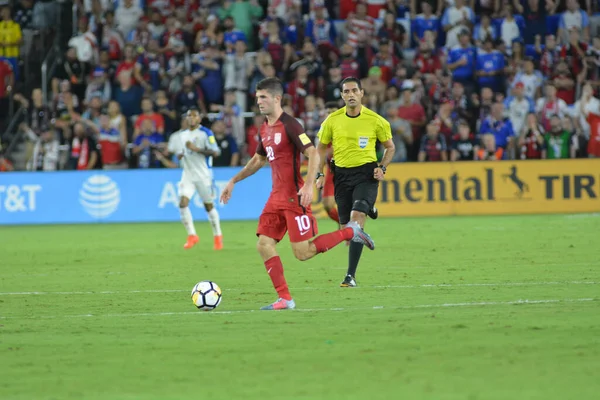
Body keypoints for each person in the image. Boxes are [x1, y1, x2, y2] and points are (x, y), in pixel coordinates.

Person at [220, 78, 375, 310]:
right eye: (257, 97)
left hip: (294, 196)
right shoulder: (265, 126)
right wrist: (234, 180)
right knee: (263, 244)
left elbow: (313, 153)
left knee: (302, 253)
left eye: (263, 97)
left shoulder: (290, 125)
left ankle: (351, 231)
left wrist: (309, 184)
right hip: (275, 197)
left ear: (276, 98)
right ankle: (285, 299)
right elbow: (258, 159)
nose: (258, 101)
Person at [316, 77, 395, 288]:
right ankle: (370, 208)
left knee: (357, 218)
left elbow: (390, 147)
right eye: (346, 91)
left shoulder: (376, 120)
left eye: (354, 91)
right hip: (341, 175)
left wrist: (382, 167)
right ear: (342, 95)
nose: (350, 95)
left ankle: (350, 276)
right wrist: (319, 174)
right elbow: (320, 148)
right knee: (348, 233)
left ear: (361, 93)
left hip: (366, 174)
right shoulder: (332, 121)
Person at [176, 109, 224, 250]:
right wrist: (180, 155)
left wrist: (196, 149)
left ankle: (217, 236)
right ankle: (192, 236)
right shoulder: (182, 134)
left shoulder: (206, 133)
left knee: (208, 206)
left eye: (194, 115)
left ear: (199, 119)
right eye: (189, 115)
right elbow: (183, 152)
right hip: (188, 174)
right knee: (182, 203)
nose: (191, 118)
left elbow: (216, 152)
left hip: (203, 175)